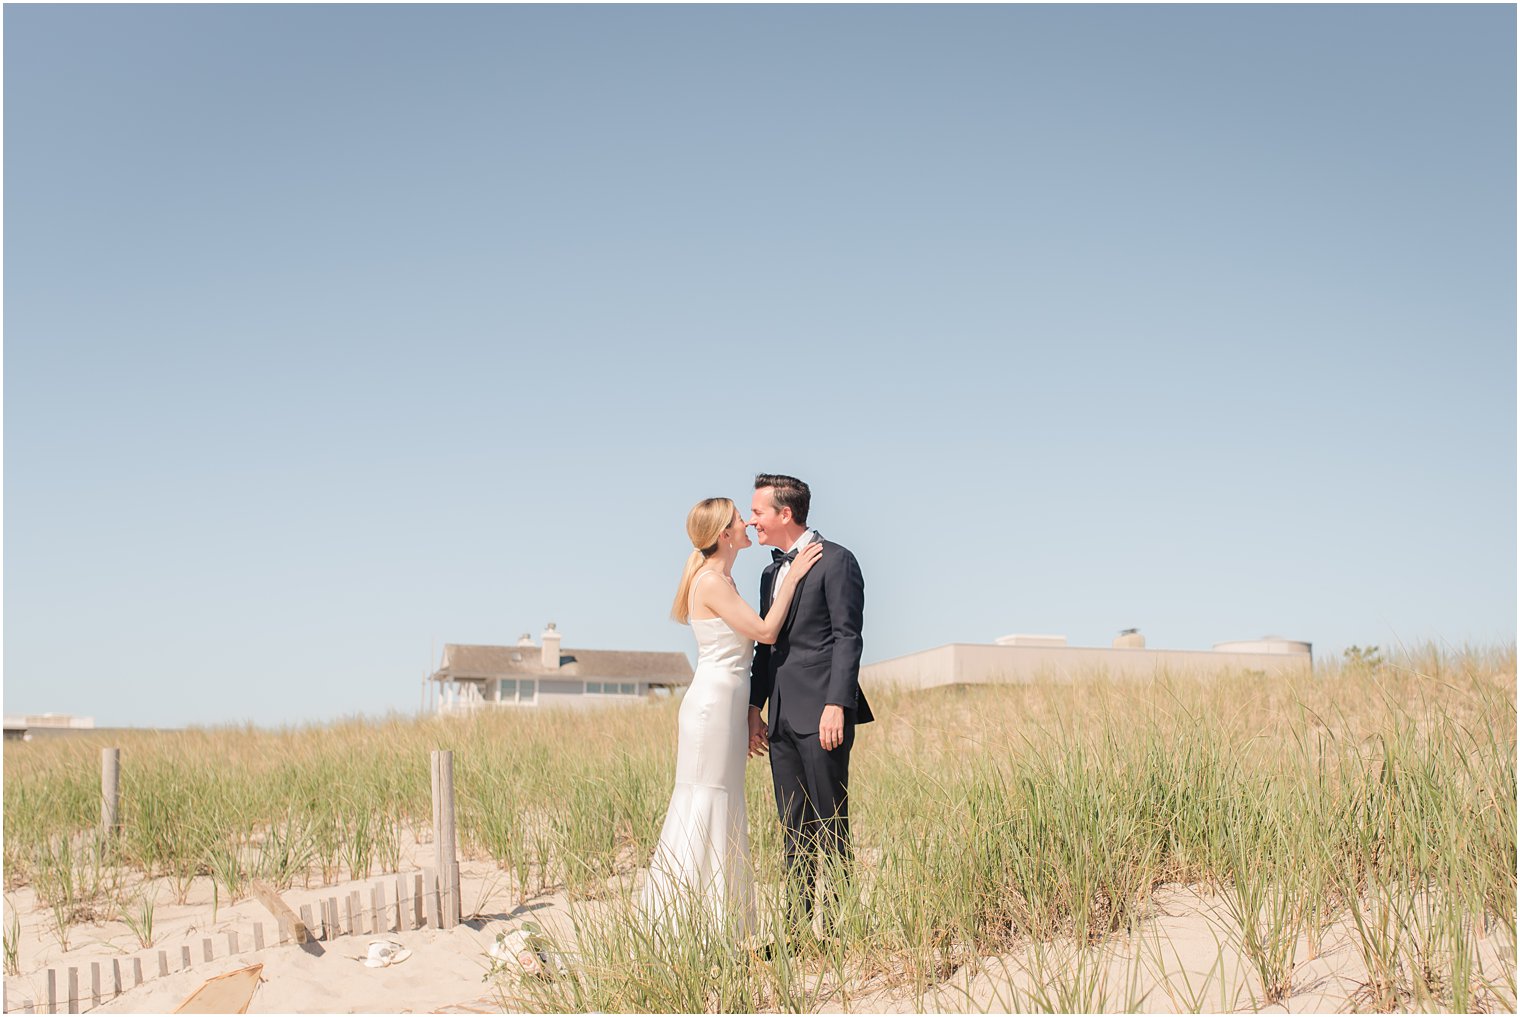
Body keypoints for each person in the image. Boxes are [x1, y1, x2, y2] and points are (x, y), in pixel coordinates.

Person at [642, 496, 822, 936]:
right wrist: (794, 577)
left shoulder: (725, 579)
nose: (748, 523)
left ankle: (719, 924)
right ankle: (683, 925)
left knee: (723, 801)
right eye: (741, 519)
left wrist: (749, 711)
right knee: (703, 801)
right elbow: (764, 632)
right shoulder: (711, 582)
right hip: (710, 706)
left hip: (726, 704)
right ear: (724, 534)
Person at [747, 473, 872, 936]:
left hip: (824, 715)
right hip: (779, 717)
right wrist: (754, 709)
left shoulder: (838, 561)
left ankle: (841, 932)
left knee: (830, 824)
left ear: (784, 514)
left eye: (757, 512)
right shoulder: (768, 572)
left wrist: (838, 703)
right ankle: (796, 931)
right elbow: (767, 646)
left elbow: (847, 637)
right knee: (793, 830)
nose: (750, 520)